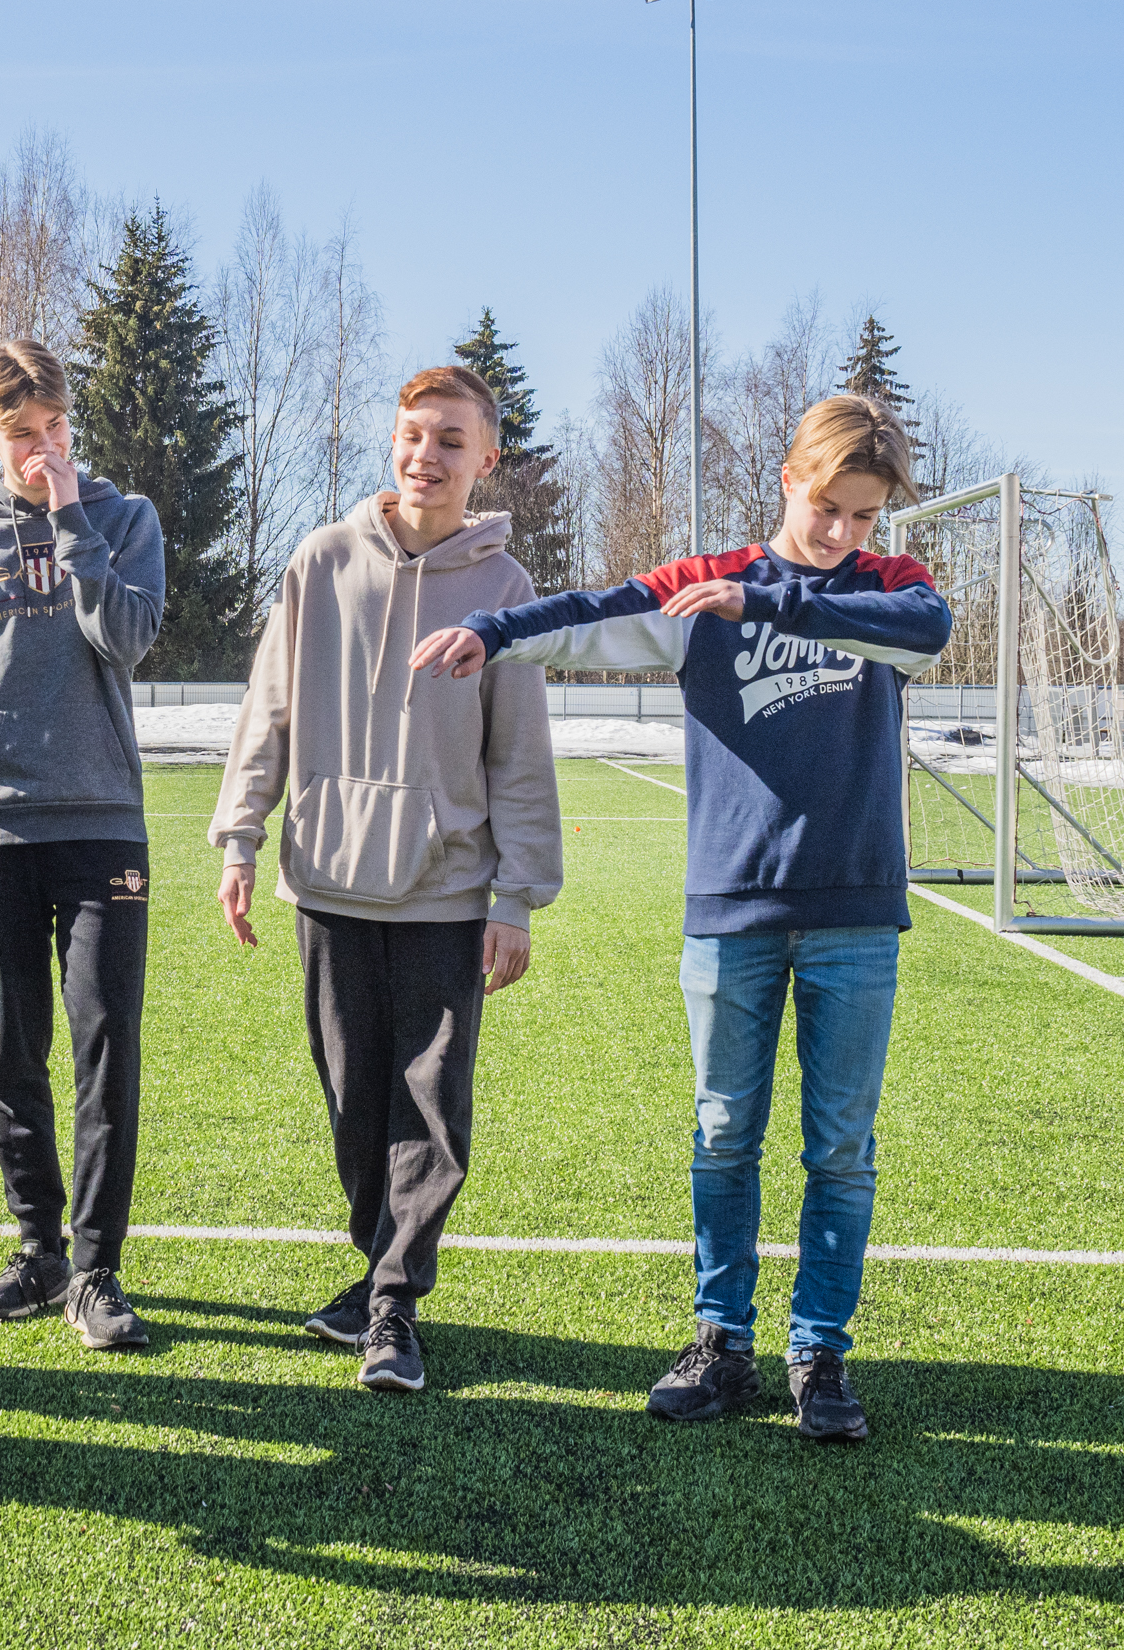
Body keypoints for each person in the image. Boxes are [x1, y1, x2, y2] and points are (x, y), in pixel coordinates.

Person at [411, 394, 950, 1441]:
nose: (843, 532)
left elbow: (922, 634)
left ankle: (821, 1354)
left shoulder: (892, 588)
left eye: (864, 516)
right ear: (790, 478)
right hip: (729, 912)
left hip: (852, 913)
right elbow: (593, 608)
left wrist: (776, 609)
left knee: (839, 1149)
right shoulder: (709, 586)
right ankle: (720, 1340)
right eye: (829, 506)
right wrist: (490, 630)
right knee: (720, 1137)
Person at [210, 365, 563, 1394]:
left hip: (446, 893)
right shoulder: (320, 561)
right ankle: (375, 1273)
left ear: (484, 460)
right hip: (327, 880)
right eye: (414, 434)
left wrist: (515, 898)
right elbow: (267, 709)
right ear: (391, 442)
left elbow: (522, 755)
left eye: (451, 440)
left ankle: (395, 1304)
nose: (427, 454)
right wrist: (240, 838)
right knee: (354, 1103)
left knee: (431, 1105)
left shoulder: (504, 591)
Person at [0, 338, 165, 1350]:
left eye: (55, 428)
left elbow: (127, 638)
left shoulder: (121, 519)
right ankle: (38, 1249)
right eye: (22, 435)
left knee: (106, 1049)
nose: (43, 448)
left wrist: (69, 520)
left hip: (102, 823)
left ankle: (97, 1272)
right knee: (14, 1053)